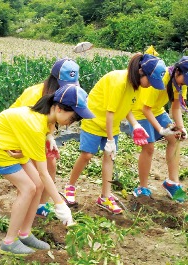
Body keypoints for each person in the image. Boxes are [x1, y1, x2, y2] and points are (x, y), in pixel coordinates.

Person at [0, 84, 94, 256]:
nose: (72, 122)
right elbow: (44, 172)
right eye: (73, 117)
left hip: (13, 144)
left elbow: (41, 173)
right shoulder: (35, 125)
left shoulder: (45, 119)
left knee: (37, 185)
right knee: (28, 188)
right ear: (59, 109)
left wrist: (48, 140)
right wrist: (60, 204)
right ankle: (9, 242)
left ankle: (24, 233)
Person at [63, 53, 166, 214]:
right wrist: (110, 140)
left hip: (113, 123)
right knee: (87, 155)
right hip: (95, 119)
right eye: (150, 81)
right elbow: (110, 112)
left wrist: (136, 124)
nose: (150, 85)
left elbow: (126, 108)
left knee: (109, 156)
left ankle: (105, 196)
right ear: (141, 72)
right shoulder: (119, 82)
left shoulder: (137, 86)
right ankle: (70, 186)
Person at [10, 57, 80, 218]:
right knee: (35, 178)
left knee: (51, 165)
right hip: (19, 136)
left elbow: (47, 120)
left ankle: (40, 205)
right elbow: (22, 125)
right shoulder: (34, 96)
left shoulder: (57, 98)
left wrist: (49, 136)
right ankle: (26, 207)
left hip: (37, 134)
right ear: (54, 82)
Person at [130, 56, 188, 201]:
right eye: (185, 80)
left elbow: (176, 107)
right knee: (149, 147)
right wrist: (161, 130)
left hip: (157, 110)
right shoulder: (161, 78)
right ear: (177, 72)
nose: (186, 83)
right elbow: (146, 109)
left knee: (175, 138)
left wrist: (181, 128)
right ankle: (142, 187)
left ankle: (172, 182)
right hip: (139, 111)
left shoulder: (181, 83)